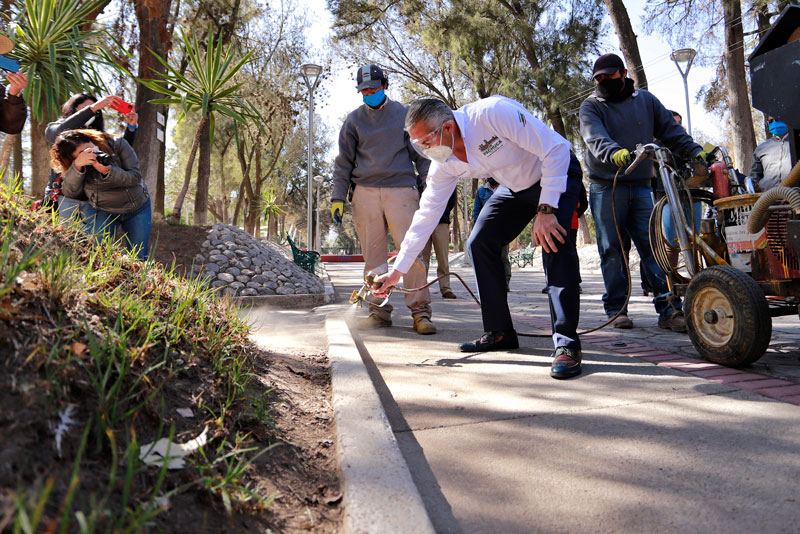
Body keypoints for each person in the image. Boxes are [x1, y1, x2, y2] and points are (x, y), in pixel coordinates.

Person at [374, 96, 585, 379]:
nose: (423, 151)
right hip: (514, 186)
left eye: (425, 142)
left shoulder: (493, 114)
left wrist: (546, 210)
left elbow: (556, 149)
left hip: (555, 171)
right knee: (480, 243)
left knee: (553, 242)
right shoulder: (444, 163)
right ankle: (499, 332)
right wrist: (397, 271)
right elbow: (426, 216)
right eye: (417, 145)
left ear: (448, 128)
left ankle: (567, 345)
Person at [580, 53, 707, 332]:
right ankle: (617, 309)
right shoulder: (591, 106)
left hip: (640, 186)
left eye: (608, 76)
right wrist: (616, 154)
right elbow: (595, 138)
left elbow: (670, 130)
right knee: (612, 250)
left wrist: (692, 149)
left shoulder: (646, 101)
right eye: (598, 78)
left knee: (654, 248)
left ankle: (669, 309)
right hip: (606, 186)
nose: (603, 81)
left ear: (623, 73)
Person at [330, 65, 435, 335]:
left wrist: (428, 187)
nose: (368, 94)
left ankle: (420, 312)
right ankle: (379, 311)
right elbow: (343, 162)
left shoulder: (404, 114)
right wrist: (337, 197)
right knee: (373, 256)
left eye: (373, 89)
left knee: (410, 251)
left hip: (401, 189)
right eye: (364, 91)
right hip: (364, 192)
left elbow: (422, 155)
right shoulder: (353, 121)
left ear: (385, 85)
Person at [51, 129, 151, 260]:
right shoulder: (77, 165)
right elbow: (70, 192)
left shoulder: (117, 144)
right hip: (104, 211)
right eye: (82, 153)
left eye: (89, 147)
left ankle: (138, 279)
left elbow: (135, 177)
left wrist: (108, 171)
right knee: (96, 253)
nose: (91, 152)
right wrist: (77, 167)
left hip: (137, 208)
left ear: (91, 140)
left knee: (139, 255)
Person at [43, 94, 138, 215]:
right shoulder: (55, 128)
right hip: (62, 197)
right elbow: (60, 131)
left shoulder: (96, 136)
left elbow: (120, 152)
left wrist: (131, 127)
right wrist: (93, 108)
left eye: (96, 110)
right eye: (84, 108)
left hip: (90, 201)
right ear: (73, 108)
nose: (92, 112)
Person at [473, 178, 511, 291]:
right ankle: (491, 283)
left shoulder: (506, 188)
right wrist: (478, 230)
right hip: (486, 230)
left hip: (502, 229)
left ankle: (505, 283)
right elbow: (476, 212)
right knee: (488, 257)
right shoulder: (481, 191)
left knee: (503, 257)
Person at [422, 191, 458, 299]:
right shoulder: (418, 180)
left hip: (441, 221)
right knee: (423, 259)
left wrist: (444, 211)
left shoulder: (446, 177)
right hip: (423, 222)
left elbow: (452, 200)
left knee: (443, 257)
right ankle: (421, 287)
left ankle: (446, 288)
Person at [750, 116, 793, 191]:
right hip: (768, 199)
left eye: (777, 119)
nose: (774, 123)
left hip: (795, 197)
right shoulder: (761, 148)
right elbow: (755, 177)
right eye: (771, 121)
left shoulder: (797, 142)